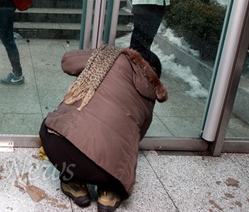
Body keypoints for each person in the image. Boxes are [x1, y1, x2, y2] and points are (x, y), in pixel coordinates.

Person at [40, 46, 168, 211]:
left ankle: (72, 182)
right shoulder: (150, 101)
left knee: (48, 126)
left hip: (62, 149)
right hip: (110, 174)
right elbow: (136, 139)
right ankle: (109, 192)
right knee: (115, 160)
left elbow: (68, 62)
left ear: (132, 55)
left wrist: (100, 53)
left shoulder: (114, 57)